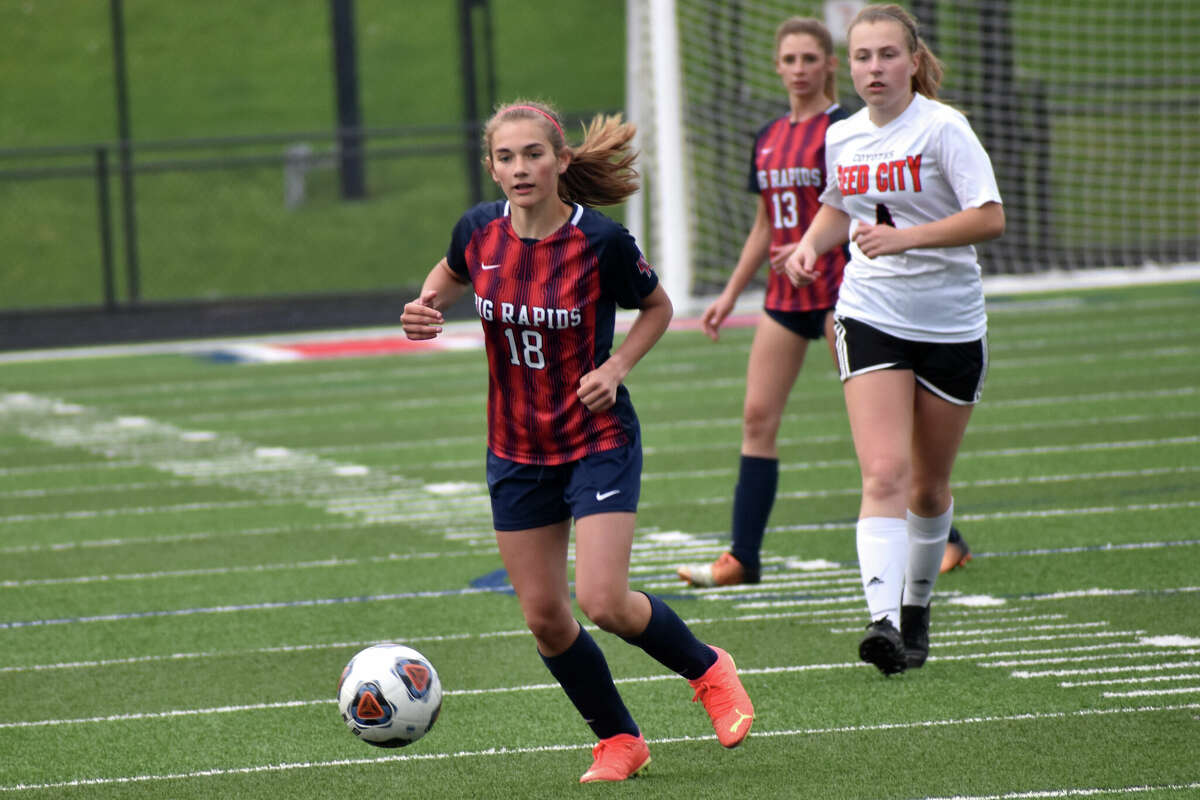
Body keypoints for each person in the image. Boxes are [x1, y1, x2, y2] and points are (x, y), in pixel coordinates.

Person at [400, 100, 754, 782]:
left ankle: (708, 670)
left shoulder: (602, 242)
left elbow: (657, 308)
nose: (520, 168)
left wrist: (617, 366)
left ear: (561, 161)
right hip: (514, 448)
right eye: (506, 157)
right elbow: (448, 273)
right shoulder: (477, 231)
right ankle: (620, 740)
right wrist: (427, 305)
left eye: (533, 154)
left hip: (596, 439)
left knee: (604, 600)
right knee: (545, 619)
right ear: (491, 167)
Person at [675, 16, 968, 589]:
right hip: (785, 296)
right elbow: (766, 224)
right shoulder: (767, 136)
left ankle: (945, 537)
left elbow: (863, 205)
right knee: (757, 417)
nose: (800, 69)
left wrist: (818, 247)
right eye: (790, 60)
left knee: (895, 429)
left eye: (811, 59)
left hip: (848, 295)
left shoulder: (850, 126)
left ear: (833, 64)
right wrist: (732, 292)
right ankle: (742, 557)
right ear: (777, 66)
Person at [783, 4, 1004, 675]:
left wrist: (904, 237)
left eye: (886, 55)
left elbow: (989, 218)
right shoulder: (843, 136)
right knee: (883, 473)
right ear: (847, 66)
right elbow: (838, 204)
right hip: (869, 314)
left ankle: (916, 612)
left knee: (929, 490)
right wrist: (810, 245)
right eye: (861, 57)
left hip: (950, 324)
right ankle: (881, 619)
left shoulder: (944, 129)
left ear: (912, 59)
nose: (873, 68)